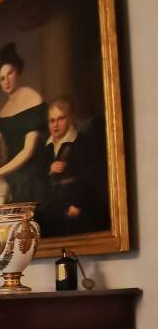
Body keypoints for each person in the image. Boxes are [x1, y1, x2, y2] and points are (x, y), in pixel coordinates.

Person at [0, 43, 47, 203]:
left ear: (17, 72)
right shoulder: (2, 112)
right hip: (7, 170)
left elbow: (28, 151)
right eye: (2, 78)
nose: (6, 81)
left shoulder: (32, 98)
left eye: (10, 73)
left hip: (30, 170)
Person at [32, 97, 108, 237]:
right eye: (52, 120)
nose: (56, 125)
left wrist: (77, 204)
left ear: (70, 119)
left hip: (76, 204)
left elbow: (89, 178)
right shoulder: (46, 147)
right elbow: (38, 177)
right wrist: (50, 169)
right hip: (53, 204)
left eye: (61, 119)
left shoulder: (82, 143)